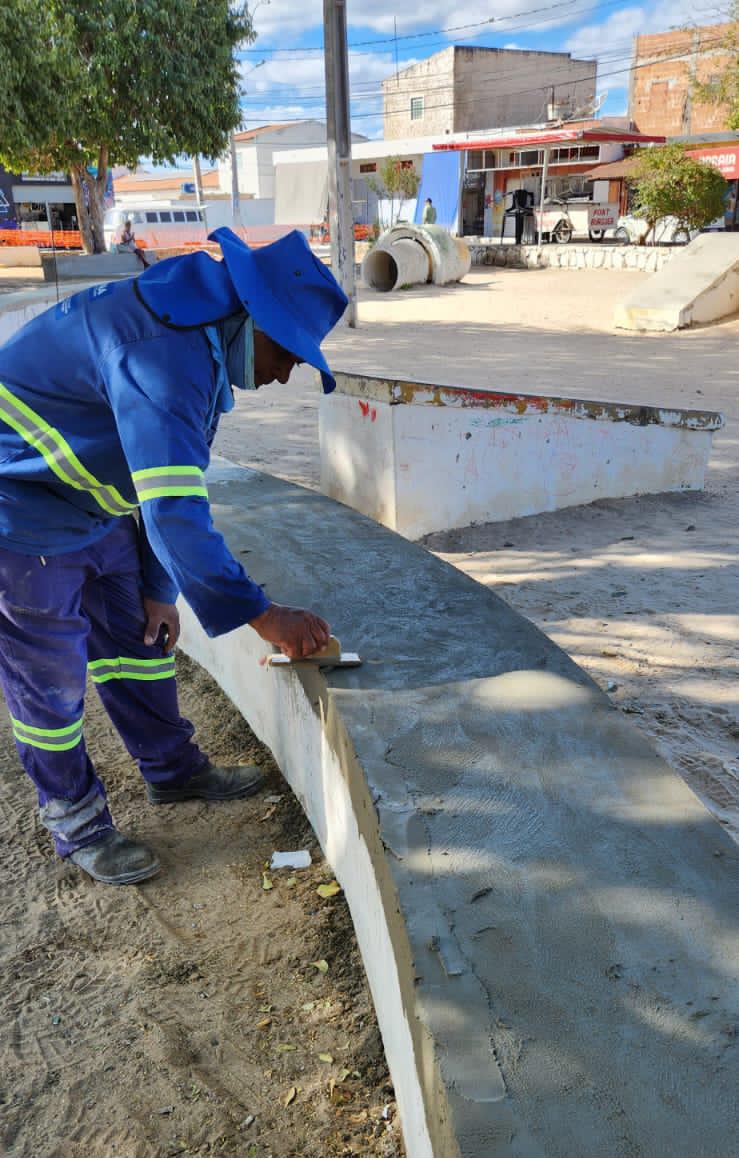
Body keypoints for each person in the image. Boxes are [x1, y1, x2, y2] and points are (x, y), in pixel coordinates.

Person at [0, 226, 347, 886]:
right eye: (287, 350)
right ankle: (77, 824)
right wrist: (263, 615)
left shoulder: (196, 336)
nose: (287, 372)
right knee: (50, 682)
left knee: (142, 634)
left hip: (90, 501)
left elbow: (169, 485)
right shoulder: (159, 354)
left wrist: (160, 586)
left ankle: (172, 771)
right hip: (18, 509)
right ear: (248, 318)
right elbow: (172, 513)